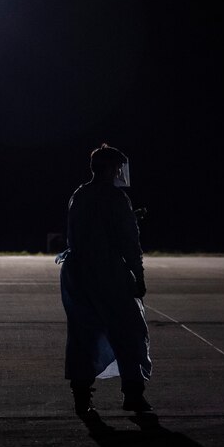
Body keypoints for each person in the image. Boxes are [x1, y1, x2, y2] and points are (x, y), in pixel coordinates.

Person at [58, 143, 152, 416]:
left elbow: (87, 231)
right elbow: (128, 242)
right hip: (107, 273)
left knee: (82, 334)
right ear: (111, 168)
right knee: (129, 330)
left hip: (77, 272)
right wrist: (139, 275)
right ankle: (133, 394)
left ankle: (81, 397)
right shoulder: (115, 198)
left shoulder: (80, 194)